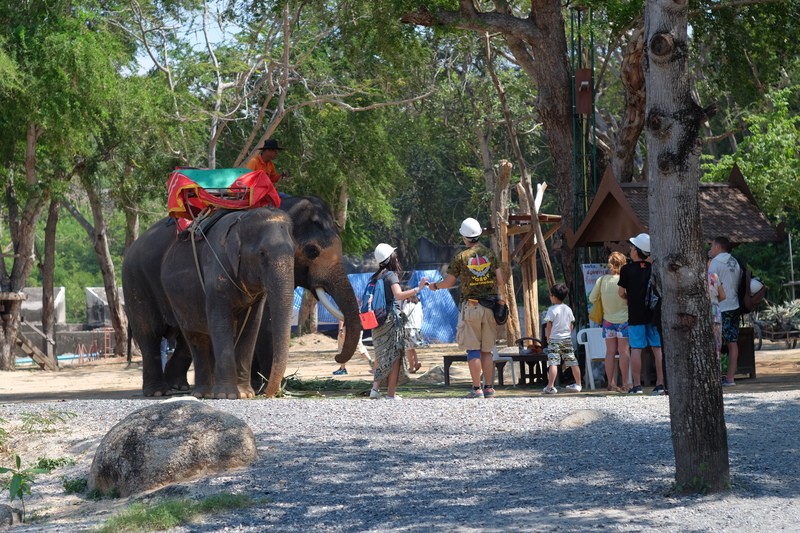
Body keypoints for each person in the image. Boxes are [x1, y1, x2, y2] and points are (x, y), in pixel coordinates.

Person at [429, 217, 505, 399]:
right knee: (487, 350)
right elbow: (501, 280)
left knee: (473, 349)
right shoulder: (491, 254)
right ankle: (489, 388)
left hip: (471, 308)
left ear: (464, 237)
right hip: (490, 308)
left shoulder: (460, 257)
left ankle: (476, 389)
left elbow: (448, 282)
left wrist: (435, 286)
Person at [368, 244, 428, 400]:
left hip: (376, 321)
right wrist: (418, 288)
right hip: (389, 320)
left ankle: (375, 389)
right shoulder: (391, 275)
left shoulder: (375, 277)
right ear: (391, 258)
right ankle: (390, 394)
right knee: (395, 356)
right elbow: (398, 295)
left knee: (381, 355)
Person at [618, 233, 665, 395]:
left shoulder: (626, 270)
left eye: (632, 247)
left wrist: (629, 298)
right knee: (657, 349)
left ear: (637, 251)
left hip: (635, 314)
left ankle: (637, 385)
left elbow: (621, 292)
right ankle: (660, 383)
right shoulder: (654, 269)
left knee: (636, 348)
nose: (630, 249)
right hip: (654, 315)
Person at [588, 251, 631, 392]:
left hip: (607, 321)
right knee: (624, 352)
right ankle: (625, 383)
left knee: (610, 352)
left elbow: (592, 298)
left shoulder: (602, 280)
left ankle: (611, 383)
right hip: (624, 320)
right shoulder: (625, 279)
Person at [708, 236, 741, 386]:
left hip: (721, 307)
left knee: (716, 343)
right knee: (733, 342)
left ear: (718, 246)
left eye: (712, 245)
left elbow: (711, 285)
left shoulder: (715, 263)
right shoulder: (735, 261)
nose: (710, 248)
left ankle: (715, 377)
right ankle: (730, 377)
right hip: (734, 304)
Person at [542, 284, 582, 394]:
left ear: (554, 296)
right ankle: (578, 384)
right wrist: (568, 333)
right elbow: (571, 324)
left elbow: (548, 325)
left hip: (554, 339)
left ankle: (550, 386)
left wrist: (548, 337)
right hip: (566, 339)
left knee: (553, 363)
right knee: (573, 362)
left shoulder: (552, 309)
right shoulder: (568, 309)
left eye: (550, 295)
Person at [707, 257, 725, 361]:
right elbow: (723, 296)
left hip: (701, 312)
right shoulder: (713, 276)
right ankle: (717, 367)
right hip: (715, 310)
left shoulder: (694, 277)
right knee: (716, 342)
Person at [402, 293, 424, 373]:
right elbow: (421, 315)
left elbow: (404, 313)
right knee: (412, 348)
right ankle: (416, 363)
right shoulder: (418, 302)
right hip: (417, 326)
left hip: (408, 327)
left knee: (408, 348)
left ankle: (412, 367)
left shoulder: (407, 302)